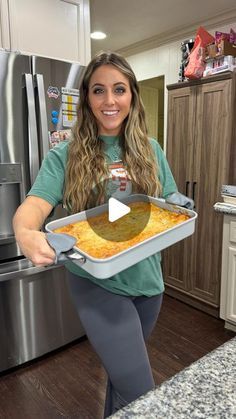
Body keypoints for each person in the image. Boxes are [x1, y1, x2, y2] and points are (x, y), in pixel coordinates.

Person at [13, 51, 179, 418]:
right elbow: (35, 205)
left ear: (132, 96)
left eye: (119, 90)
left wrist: (175, 199)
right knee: (141, 395)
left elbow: (167, 199)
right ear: (87, 97)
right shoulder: (65, 155)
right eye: (99, 90)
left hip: (149, 281)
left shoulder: (151, 149)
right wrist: (25, 231)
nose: (109, 101)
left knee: (123, 383)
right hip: (98, 282)